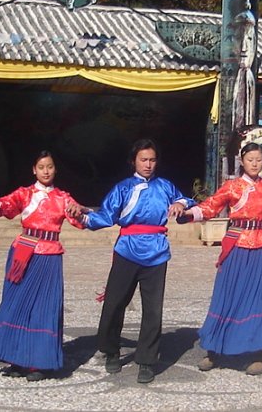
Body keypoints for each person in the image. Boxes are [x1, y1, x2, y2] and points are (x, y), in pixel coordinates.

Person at [178, 142, 262, 375]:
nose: (255, 164)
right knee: (228, 295)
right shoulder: (232, 187)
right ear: (242, 161)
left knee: (260, 298)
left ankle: (258, 353)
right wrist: (188, 213)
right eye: (250, 159)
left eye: (259, 159)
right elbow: (210, 206)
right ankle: (214, 350)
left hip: (261, 247)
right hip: (236, 245)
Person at [76, 139, 193, 384]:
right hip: (127, 250)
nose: (148, 164)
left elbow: (187, 200)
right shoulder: (123, 188)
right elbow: (106, 216)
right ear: (134, 161)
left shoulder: (165, 186)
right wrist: (83, 218)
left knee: (153, 309)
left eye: (152, 160)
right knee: (114, 303)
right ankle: (111, 350)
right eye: (143, 160)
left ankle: (147, 360)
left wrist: (180, 203)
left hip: (157, 252)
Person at [0, 151, 87, 381]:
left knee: (44, 308)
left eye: (50, 166)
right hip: (23, 253)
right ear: (34, 169)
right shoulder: (25, 194)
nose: (46, 171)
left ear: (55, 170)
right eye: (41, 167)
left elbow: (80, 220)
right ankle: (16, 357)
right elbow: (5, 204)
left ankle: (39, 363)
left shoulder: (64, 198)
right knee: (16, 305)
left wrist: (83, 210)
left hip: (49, 256)